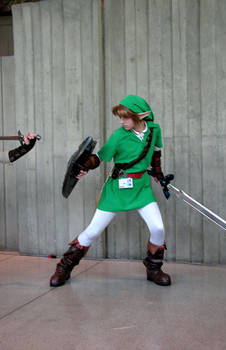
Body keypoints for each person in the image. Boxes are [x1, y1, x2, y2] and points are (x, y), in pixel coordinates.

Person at [50, 95, 171, 287]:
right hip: (117, 189)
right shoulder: (118, 136)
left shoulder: (154, 130)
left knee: (158, 228)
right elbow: (98, 157)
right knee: (92, 231)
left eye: (126, 117)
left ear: (140, 116)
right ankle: (63, 268)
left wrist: (158, 173)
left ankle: (154, 269)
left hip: (141, 188)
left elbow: (155, 152)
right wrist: (83, 166)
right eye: (120, 117)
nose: (122, 121)